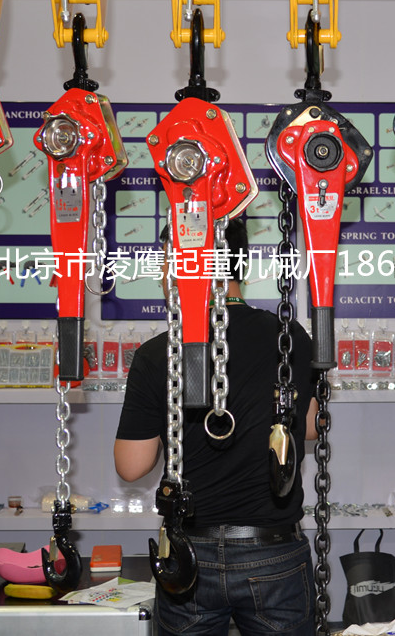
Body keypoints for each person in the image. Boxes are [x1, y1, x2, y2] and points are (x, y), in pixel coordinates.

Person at [114, 217, 319, 636]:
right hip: (273, 551)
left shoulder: (156, 354)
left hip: (192, 555)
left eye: (167, 263)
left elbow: (132, 466)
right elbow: (311, 428)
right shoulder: (289, 338)